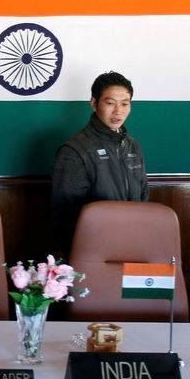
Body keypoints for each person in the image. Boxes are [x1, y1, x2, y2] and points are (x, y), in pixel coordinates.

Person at [51, 71, 149, 256]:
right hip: (93, 250)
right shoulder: (74, 150)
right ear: (94, 103)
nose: (118, 111)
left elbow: (143, 197)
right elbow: (65, 216)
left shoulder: (133, 147)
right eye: (110, 103)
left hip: (132, 244)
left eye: (125, 104)